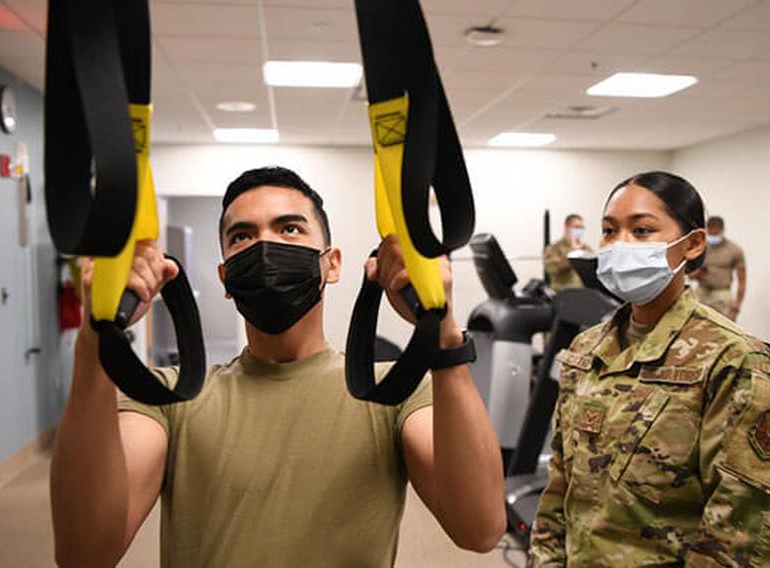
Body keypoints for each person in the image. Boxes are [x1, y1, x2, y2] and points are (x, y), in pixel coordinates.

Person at [50, 167, 506, 567]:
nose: (265, 246)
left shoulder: (394, 393)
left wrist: (442, 330)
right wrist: (95, 340)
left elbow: (480, 528)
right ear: (227, 277)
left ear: (332, 265)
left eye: (289, 229)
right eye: (243, 236)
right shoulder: (170, 398)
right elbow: (84, 554)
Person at [530, 172, 770, 567]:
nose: (620, 244)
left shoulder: (733, 359)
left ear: (692, 245)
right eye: (609, 230)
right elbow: (560, 486)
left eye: (642, 230)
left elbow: (742, 529)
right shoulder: (585, 350)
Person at [691, 216, 746, 321]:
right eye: (711, 233)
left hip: (722, 295)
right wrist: (696, 274)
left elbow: (742, 281)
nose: (713, 236)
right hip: (701, 292)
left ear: (722, 230)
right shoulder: (700, 248)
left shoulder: (734, 250)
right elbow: (689, 274)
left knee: (725, 331)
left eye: (716, 233)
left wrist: (736, 307)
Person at [543, 213, 593, 292]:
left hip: (583, 294)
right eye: (576, 227)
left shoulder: (586, 248)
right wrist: (573, 251)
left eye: (581, 228)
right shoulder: (554, 248)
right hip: (562, 294)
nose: (579, 231)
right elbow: (552, 269)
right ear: (567, 227)